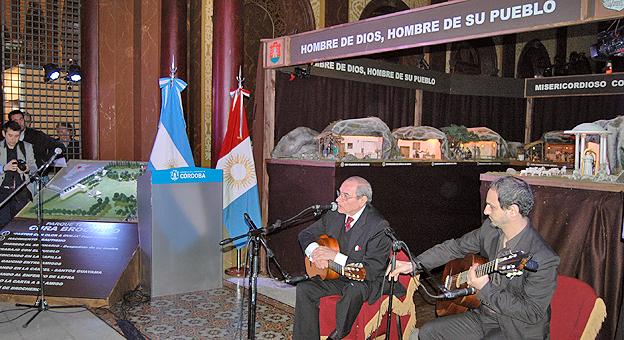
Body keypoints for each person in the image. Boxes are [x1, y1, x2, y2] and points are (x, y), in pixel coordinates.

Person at [388, 176, 559, 340]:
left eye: (491, 206)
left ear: (512, 211)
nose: (485, 211)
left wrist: (485, 288)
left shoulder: (543, 258)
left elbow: (531, 312)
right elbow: (455, 247)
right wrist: (415, 264)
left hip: (516, 329)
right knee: (428, 333)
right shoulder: (490, 230)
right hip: (484, 316)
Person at [294, 176, 402, 340]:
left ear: (362, 200)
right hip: (337, 275)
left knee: (354, 289)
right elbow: (306, 234)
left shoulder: (378, 226)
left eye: (346, 196)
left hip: (367, 281)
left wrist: (335, 256)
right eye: (339, 193)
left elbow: (371, 271)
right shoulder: (334, 214)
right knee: (305, 288)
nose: (338, 199)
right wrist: (315, 252)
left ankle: (339, 334)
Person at [0, 121, 37, 227]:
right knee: (3, 225)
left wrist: (27, 170)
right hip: (2, 193)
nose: (13, 139)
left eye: (17, 136)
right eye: (10, 135)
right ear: (4, 134)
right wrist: (3, 168)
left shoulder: (27, 147)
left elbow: (34, 168)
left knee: (22, 225)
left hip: (21, 192)